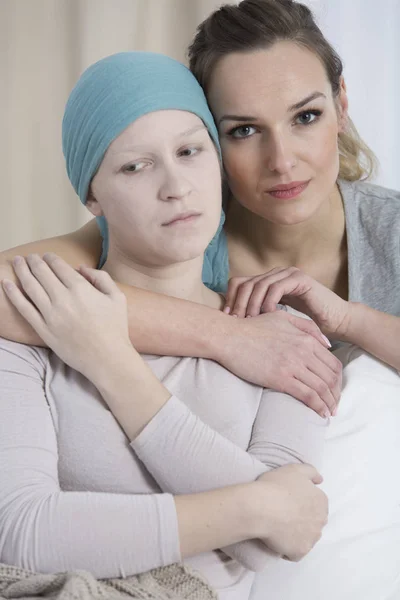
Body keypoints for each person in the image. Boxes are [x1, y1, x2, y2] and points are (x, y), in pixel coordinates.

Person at [0, 1, 399, 598]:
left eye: (306, 116)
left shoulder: (381, 238)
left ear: (342, 104)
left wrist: (348, 319)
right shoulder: (177, 227)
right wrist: (230, 336)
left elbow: (280, 533)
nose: (282, 160)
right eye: (243, 130)